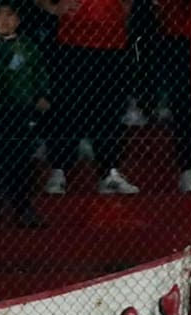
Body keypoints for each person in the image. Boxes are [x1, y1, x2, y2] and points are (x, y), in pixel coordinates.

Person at [36, 0, 139, 196]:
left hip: (112, 42)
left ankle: (108, 170)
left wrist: (124, 10)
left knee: (110, 109)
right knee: (67, 108)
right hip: (72, 42)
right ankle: (59, 169)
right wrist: (52, 7)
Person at [0, 1, 51, 228]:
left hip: (20, 110)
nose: (5, 20)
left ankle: (22, 208)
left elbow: (39, 71)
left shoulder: (27, 46)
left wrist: (41, 94)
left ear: (18, 20)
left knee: (21, 161)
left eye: (10, 15)